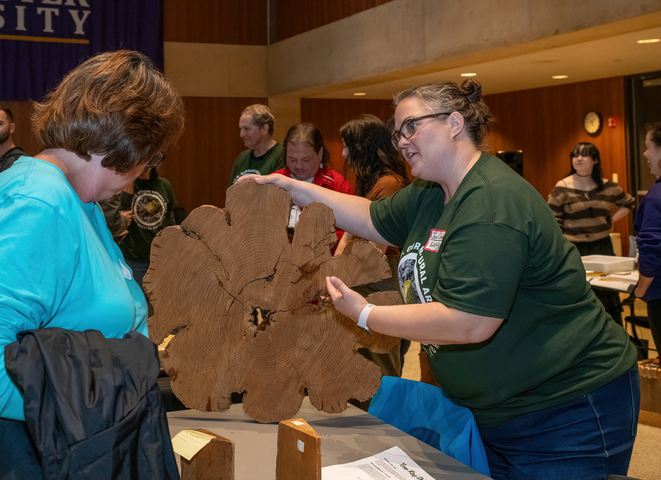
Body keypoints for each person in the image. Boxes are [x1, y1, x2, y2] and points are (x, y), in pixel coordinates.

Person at [242, 79, 639, 479]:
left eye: (411, 127)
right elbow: (368, 216)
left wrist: (365, 314)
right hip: (495, 411)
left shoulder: (490, 201)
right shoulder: (432, 192)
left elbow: (469, 321)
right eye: (398, 132)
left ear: (453, 123)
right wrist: (293, 189)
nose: (402, 141)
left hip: (566, 409)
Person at [0, 50, 185, 478]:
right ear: (132, 143)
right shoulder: (37, 200)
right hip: (28, 453)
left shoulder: (76, 198)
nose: (148, 168)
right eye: (154, 155)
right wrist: (101, 398)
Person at [335, 114, 410, 387]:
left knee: (380, 353)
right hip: (362, 273)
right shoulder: (371, 182)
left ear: (363, 147)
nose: (343, 153)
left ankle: (384, 420)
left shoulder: (388, 184)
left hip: (379, 276)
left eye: (347, 146)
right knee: (362, 351)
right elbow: (349, 233)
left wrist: (344, 271)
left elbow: (377, 247)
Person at [547, 142, 635, 326]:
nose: (578, 159)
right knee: (579, 292)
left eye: (584, 155)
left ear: (595, 160)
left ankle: (612, 335)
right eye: (575, 155)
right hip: (574, 248)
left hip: (602, 246)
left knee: (607, 293)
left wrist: (611, 219)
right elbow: (553, 222)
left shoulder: (608, 186)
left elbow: (629, 203)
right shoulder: (562, 186)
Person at [272, 122, 354, 244]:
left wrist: (321, 239)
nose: (299, 166)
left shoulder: (338, 185)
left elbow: (352, 231)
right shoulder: (272, 182)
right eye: (292, 160)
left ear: (320, 153)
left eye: (306, 160)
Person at [119, 165, 177, 294]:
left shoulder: (164, 185)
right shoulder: (127, 185)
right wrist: (130, 178)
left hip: (160, 259)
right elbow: (122, 212)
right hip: (133, 259)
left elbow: (171, 221)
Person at [634, 121, 661, 361]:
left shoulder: (656, 195)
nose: (645, 154)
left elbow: (652, 249)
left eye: (648, 147)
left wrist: (641, 288)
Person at [228, 104, 285, 186]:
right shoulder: (242, 157)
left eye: (246, 129)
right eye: (241, 129)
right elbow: (231, 193)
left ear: (264, 129)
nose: (242, 134)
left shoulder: (282, 156)